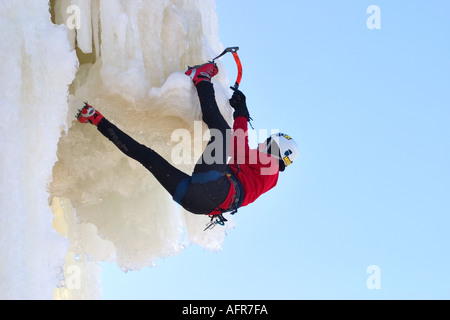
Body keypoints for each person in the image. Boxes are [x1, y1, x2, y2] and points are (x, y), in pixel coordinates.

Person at [77, 62, 299, 228]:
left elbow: (237, 147)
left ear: (276, 147)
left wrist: (242, 113)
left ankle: (201, 78)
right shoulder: (262, 173)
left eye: (267, 142)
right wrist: (241, 114)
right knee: (147, 157)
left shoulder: (270, 167)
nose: (262, 144)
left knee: (221, 134)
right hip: (196, 202)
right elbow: (240, 152)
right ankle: (94, 118)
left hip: (217, 189)